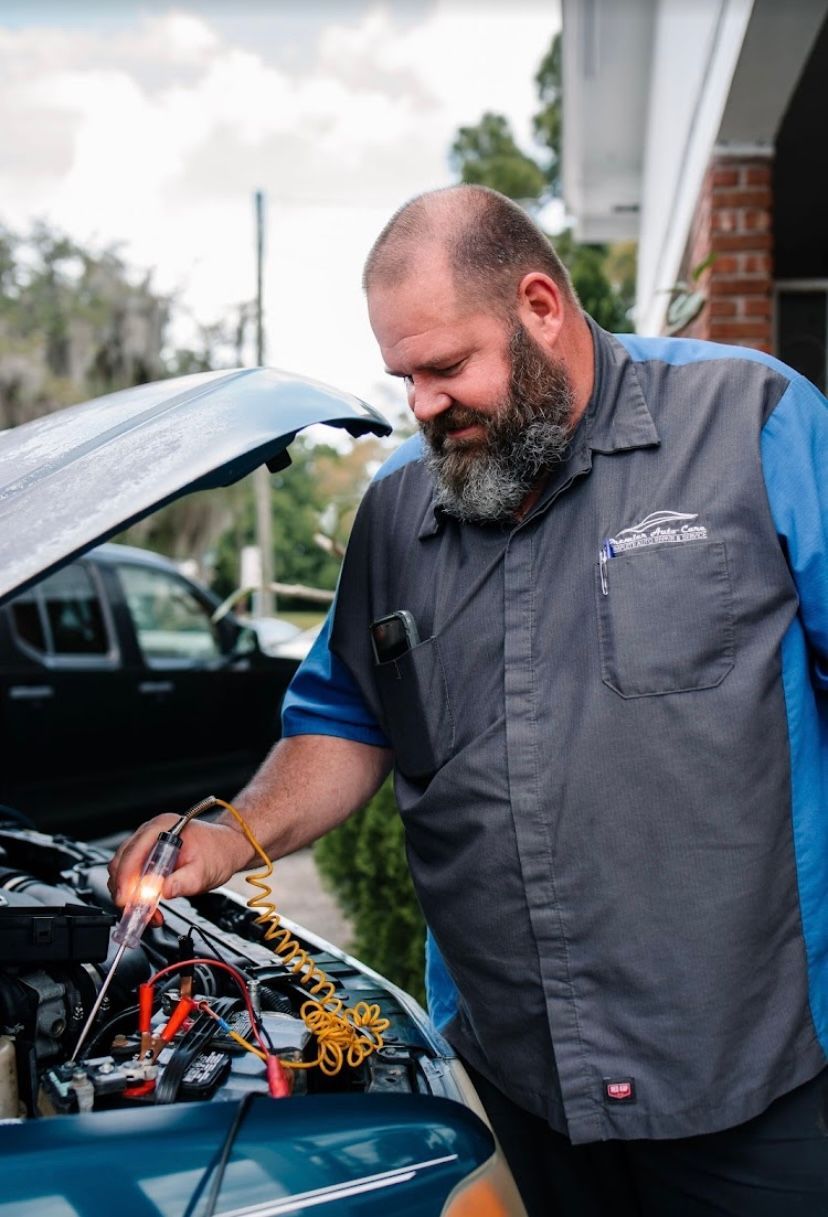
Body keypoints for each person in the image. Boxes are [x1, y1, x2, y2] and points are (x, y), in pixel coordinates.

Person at [110, 185, 828, 1215]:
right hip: (513, 1081)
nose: (425, 405)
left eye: (448, 367)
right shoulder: (401, 506)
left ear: (541, 305)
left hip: (741, 1079)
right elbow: (346, 718)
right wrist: (226, 837)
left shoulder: (752, 421)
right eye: (407, 376)